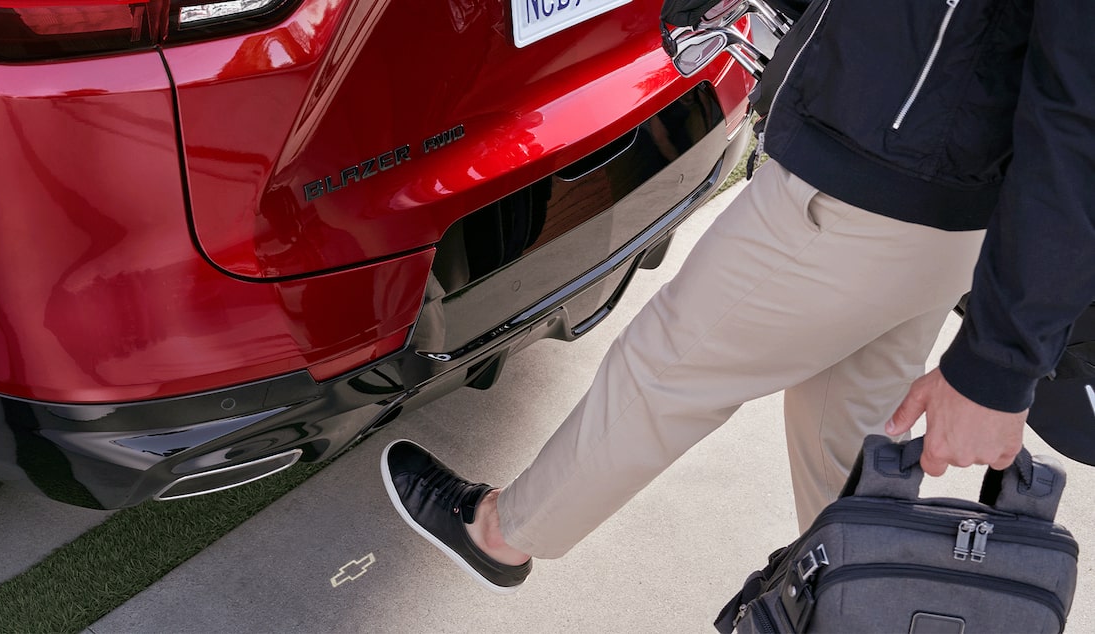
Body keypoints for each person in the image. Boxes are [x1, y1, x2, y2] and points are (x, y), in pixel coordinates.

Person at [380, 0, 1095, 594]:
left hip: (861, 194)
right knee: (844, 440)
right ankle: (866, 610)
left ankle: (502, 533)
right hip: (930, 203)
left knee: (666, 368)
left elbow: (1079, 114)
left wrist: (1001, 368)